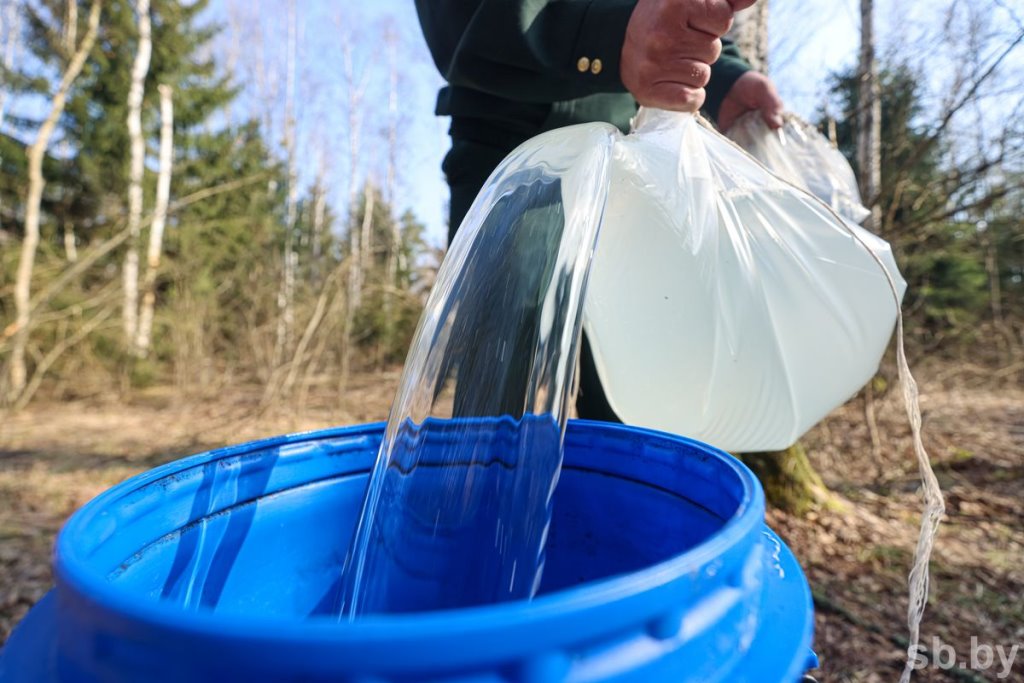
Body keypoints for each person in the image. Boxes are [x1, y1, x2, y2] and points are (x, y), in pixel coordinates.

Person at [416, 0, 785, 421]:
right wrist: (606, 36)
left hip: (635, 162)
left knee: (633, 403)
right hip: (509, 153)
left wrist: (728, 76)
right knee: (498, 392)